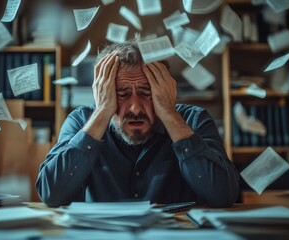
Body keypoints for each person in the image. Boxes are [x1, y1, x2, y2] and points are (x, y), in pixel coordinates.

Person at [36, 38, 240, 207]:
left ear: (164, 90)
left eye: (147, 93)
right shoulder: (81, 121)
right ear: (103, 93)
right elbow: (51, 194)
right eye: (122, 94)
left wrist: (169, 113)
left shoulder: (194, 121)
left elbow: (223, 195)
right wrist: (102, 112)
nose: (135, 108)